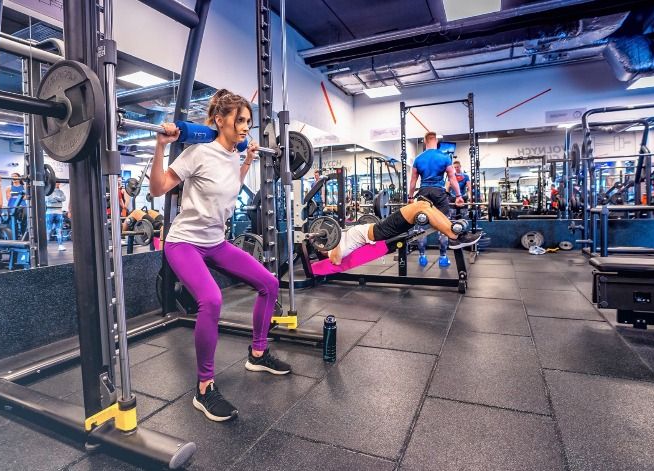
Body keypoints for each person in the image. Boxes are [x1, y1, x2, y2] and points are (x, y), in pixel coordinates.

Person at [149, 89, 289, 423]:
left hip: (215, 242)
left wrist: (247, 162)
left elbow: (229, 190)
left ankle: (258, 353)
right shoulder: (197, 153)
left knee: (269, 284)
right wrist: (160, 147)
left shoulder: (233, 155)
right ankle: (204, 388)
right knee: (211, 300)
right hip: (183, 243)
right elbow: (157, 189)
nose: (246, 127)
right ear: (219, 121)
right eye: (240, 120)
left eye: (248, 121)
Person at [323, 196, 482, 269]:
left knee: (425, 204)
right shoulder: (333, 250)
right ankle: (454, 236)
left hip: (379, 227)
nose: (323, 240)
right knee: (420, 205)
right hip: (380, 231)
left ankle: (454, 231)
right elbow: (336, 261)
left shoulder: (339, 238)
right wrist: (334, 239)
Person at [409, 132, 464, 268]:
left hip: (423, 193)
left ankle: (422, 257)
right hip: (439, 193)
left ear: (425, 141)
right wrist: (458, 196)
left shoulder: (418, 159)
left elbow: (413, 181)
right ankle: (443, 258)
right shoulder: (444, 157)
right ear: (436, 141)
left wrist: (410, 198)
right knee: (444, 225)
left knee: (421, 226)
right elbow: (452, 178)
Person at [45, 182, 67, 251]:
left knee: (59, 229)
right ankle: (46, 246)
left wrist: (56, 198)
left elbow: (64, 199)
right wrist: (58, 199)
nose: (58, 184)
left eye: (58, 183)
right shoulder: (48, 191)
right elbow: (49, 199)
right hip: (50, 212)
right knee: (48, 230)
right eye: (57, 182)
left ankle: (60, 245)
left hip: (59, 212)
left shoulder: (60, 191)